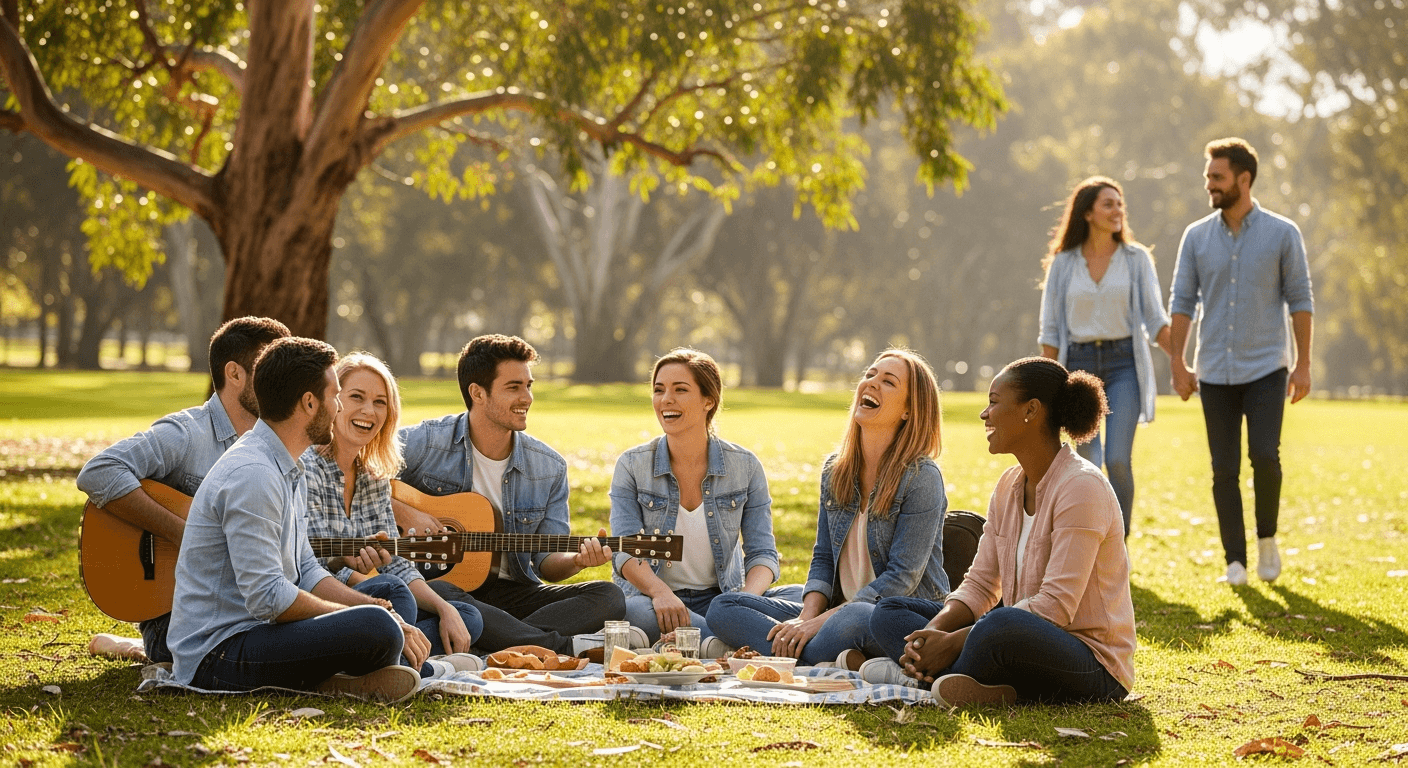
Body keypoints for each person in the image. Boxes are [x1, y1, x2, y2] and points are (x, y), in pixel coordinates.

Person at [864, 357, 1135, 707]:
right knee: (888, 613)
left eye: (994, 402)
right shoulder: (1009, 486)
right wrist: (936, 632)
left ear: (1030, 411)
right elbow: (979, 585)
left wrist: (955, 641)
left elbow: (1055, 608)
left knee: (1000, 624)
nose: (984, 414)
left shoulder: (1082, 487)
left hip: (1092, 664)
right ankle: (966, 681)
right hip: (1017, 638)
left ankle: (920, 674)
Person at [168, 337, 425, 702]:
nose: (337, 407)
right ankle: (368, 673)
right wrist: (356, 613)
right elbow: (269, 598)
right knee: (377, 626)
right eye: (336, 395)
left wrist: (363, 605)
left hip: (261, 631)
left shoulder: (291, 465)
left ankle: (344, 676)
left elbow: (306, 568)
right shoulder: (254, 474)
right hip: (220, 655)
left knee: (385, 596)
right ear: (309, 403)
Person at [706, 349, 948, 667]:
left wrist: (815, 624)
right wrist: (806, 617)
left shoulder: (921, 477)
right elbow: (822, 557)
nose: (872, 383)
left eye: (888, 382)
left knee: (857, 617)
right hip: (836, 608)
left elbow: (901, 579)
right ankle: (829, 654)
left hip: (894, 614)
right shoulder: (836, 470)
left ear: (908, 410)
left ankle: (796, 652)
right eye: (870, 374)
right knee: (723, 606)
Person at [394, 334, 630, 655]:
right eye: (513, 387)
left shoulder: (548, 467)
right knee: (439, 590)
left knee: (608, 596)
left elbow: (547, 564)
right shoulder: (426, 442)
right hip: (445, 587)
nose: (527, 397)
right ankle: (555, 646)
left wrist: (577, 560)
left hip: (515, 593)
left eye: (528, 385)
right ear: (477, 392)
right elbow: (358, 467)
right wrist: (404, 511)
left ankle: (499, 635)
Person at [77, 316, 290, 663]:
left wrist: (341, 555)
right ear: (234, 374)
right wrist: (181, 532)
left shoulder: (281, 446)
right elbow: (99, 472)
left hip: (240, 608)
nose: (284, 382)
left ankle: (134, 649)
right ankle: (147, 648)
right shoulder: (187, 434)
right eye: (271, 370)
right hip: (179, 619)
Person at [1169, 137, 1314, 586]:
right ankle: (1235, 560)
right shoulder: (1195, 236)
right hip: (1213, 369)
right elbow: (1181, 302)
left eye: (1218, 177)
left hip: (1268, 366)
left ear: (1243, 179)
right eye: (1208, 177)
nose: (1209, 185)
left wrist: (1303, 363)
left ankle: (1267, 538)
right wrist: (1178, 362)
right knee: (1223, 468)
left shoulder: (1283, 233)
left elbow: (1300, 300)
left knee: (1265, 456)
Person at [301, 353, 484, 674]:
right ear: (334, 400)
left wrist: (444, 609)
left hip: (362, 601)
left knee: (465, 615)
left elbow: (397, 562)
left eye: (380, 402)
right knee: (391, 591)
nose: (368, 411)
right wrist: (349, 566)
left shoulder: (374, 479)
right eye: (356, 397)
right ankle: (417, 667)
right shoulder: (306, 468)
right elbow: (309, 567)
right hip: (317, 600)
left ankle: (382, 662)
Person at [609, 348, 794, 655]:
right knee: (632, 613)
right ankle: (724, 642)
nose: (666, 399)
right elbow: (626, 552)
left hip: (722, 598)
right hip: (654, 600)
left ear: (709, 400)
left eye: (680, 390)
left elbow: (762, 554)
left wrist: (741, 606)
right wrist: (661, 593)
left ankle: (705, 637)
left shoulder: (745, 466)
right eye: (659, 390)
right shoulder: (631, 465)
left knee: (803, 596)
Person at [1039, 176, 1173, 537]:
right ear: (1087, 213)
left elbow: (1156, 320)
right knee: (1088, 461)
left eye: (1120, 203)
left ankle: (1119, 540)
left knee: (1116, 459)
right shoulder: (1064, 264)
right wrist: (1046, 385)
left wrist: (1181, 362)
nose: (1118, 210)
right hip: (1078, 367)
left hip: (1123, 365)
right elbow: (1051, 329)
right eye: (1108, 204)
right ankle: (1091, 540)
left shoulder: (1136, 259)